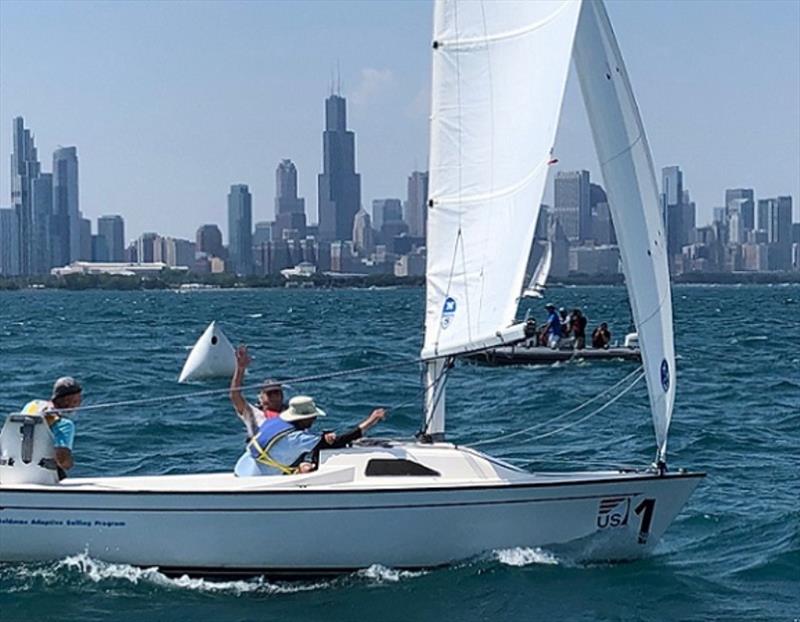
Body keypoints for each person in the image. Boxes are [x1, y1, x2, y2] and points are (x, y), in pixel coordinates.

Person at [234, 396, 385, 477]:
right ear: (303, 418)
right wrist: (371, 421)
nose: (315, 420)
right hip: (255, 480)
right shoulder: (298, 439)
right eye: (313, 417)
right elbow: (340, 441)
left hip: (240, 470)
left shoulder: (274, 422)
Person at [20, 377, 82, 479]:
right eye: (77, 400)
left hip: (13, 471)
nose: (79, 404)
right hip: (41, 476)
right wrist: (69, 463)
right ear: (67, 400)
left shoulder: (32, 405)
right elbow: (62, 460)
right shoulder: (64, 424)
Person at [229, 344, 287, 439]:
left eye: (276, 393)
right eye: (269, 394)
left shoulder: (291, 413)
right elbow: (235, 395)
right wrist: (240, 369)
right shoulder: (252, 413)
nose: (274, 397)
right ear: (261, 397)